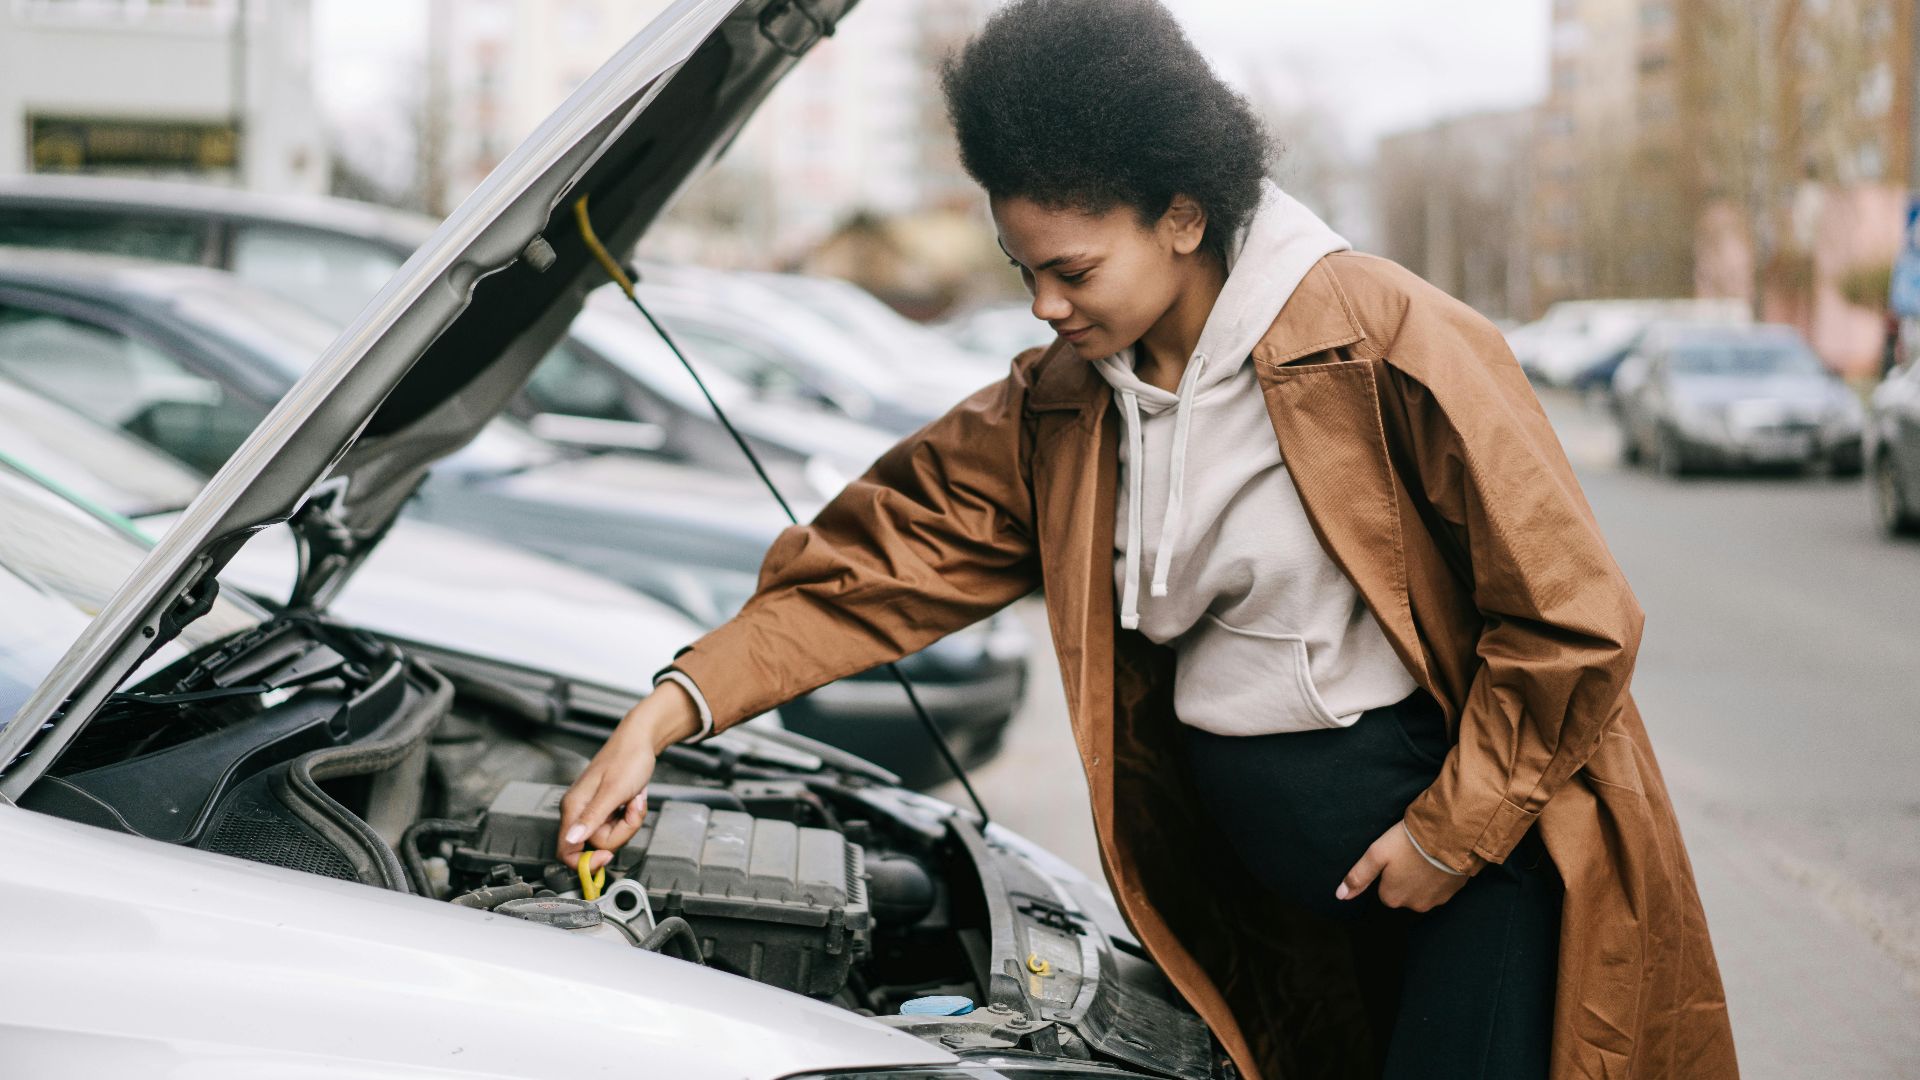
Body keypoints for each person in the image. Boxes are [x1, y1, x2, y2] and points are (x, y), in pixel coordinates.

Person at [557, 2, 1738, 1077]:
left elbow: (1572, 616)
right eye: (1023, 272)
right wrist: (671, 707)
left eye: (1071, 270)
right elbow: (882, 560)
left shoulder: (1383, 340)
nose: (1043, 306)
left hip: (1469, 892)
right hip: (1280, 918)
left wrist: (1447, 838)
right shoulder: (1064, 403)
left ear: (1184, 214)